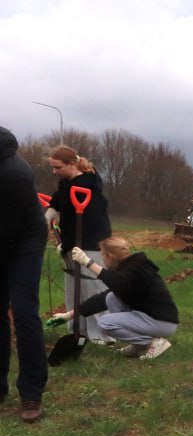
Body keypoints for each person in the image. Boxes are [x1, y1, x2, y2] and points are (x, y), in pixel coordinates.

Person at [52, 237, 179, 360]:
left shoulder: (135, 271)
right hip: (150, 318)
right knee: (111, 298)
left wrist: (88, 263)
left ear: (110, 257)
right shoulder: (130, 268)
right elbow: (103, 298)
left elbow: (118, 283)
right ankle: (139, 346)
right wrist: (69, 315)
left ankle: (151, 342)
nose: (102, 258)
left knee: (105, 323)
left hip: (162, 322)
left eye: (102, 255)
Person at [0, 126, 48, 423]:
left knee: (24, 311)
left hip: (24, 241)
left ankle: (31, 391)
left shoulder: (13, 173)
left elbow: (5, 230)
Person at [45, 145, 112, 344]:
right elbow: (58, 200)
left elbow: (87, 223)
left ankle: (102, 334)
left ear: (72, 164)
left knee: (93, 288)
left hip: (90, 244)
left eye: (58, 167)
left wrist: (66, 244)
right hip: (72, 244)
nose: (54, 171)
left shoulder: (88, 187)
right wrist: (50, 212)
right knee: (73, 288)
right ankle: (78, 330)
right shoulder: (67, 183)